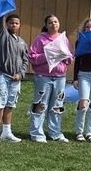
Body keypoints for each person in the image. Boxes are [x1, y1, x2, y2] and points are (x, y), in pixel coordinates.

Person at [28, 15, 73, 143]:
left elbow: (70, 58)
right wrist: (47, 55)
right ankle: (37, 133)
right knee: (41, 103)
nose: (53, 24)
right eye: (50, 22)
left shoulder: (64, 39)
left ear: (59, 23)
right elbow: (32, 57)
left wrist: (65, 56)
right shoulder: (40, 39)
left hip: (60, 78)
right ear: (46, 25)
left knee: (57, 105)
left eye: (55, 22)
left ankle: (55, 132)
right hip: (44, 77)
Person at [0, 13, 29, 143]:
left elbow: (25, 61)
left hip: (15, 78)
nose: (14, 25)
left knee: (10, 103)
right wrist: (2, 11)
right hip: (0, 74)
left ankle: (6, 132)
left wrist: (20, 74)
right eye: (11, 23)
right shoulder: (2, 35)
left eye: (16, 23)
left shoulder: (22, 43)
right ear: (7, 24)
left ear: (19, 25)